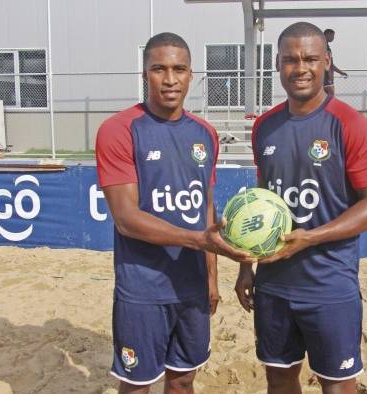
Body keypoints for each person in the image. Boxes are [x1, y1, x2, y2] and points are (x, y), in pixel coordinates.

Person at [95, 32, 254, 394]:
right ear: (144, 75)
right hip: (142, 288)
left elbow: (205, 209)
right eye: (159, 69)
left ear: (191, 75)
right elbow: (125, 217)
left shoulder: (205, 133)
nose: (170, 79)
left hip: (192, 286)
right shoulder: (118, 130)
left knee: (183, 380)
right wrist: (200, 240)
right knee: (137, 384)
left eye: (179, 69)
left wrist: (210, 279)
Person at [236, 22, 367, 394]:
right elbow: (262, 196)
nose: (300, 68)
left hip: (329, 285)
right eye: (290, 59)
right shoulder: (265, 127)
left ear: (327, 62)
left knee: (336, 385)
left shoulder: (350, 125)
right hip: (273, 284)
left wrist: (312, 237)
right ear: (277, 64)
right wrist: (245, 266)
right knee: (279, 378)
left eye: (310, 58)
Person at [323, 28, 348, 97]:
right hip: (326, 79)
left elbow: (330, 64)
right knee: (330, 100)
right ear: (327, 35)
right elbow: (327, 63)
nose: (333, 38)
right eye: (332, 36)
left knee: (327, 100)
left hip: (328, 79)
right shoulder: (323, 47)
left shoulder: (326, 47)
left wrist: (340, 72)